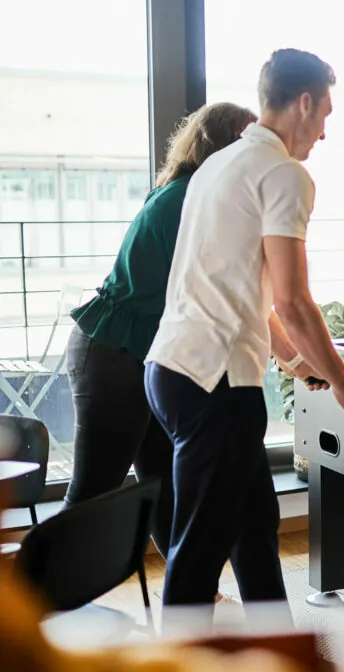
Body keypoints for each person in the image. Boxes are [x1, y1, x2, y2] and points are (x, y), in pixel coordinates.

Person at [144, 48, 344, 613]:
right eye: (324, 114)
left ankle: (279, 656)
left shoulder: (216, 165)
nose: (323, 132)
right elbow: (293, 299)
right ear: (304, 103)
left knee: (254, 529)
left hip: (174, 370)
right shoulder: (284, 174)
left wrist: (297, 363)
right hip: (214, 385)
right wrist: (343, 382)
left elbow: (240, 290)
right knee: (200, 549)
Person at [64, 102, 258, 559]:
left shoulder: (188, 192)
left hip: (143, 355)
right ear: (225, 147)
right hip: (114, 355)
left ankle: (190, 596)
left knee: (165, 487)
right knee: (94, 494)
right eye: (247, 144)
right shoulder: (192, 199)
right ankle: (37, 608)